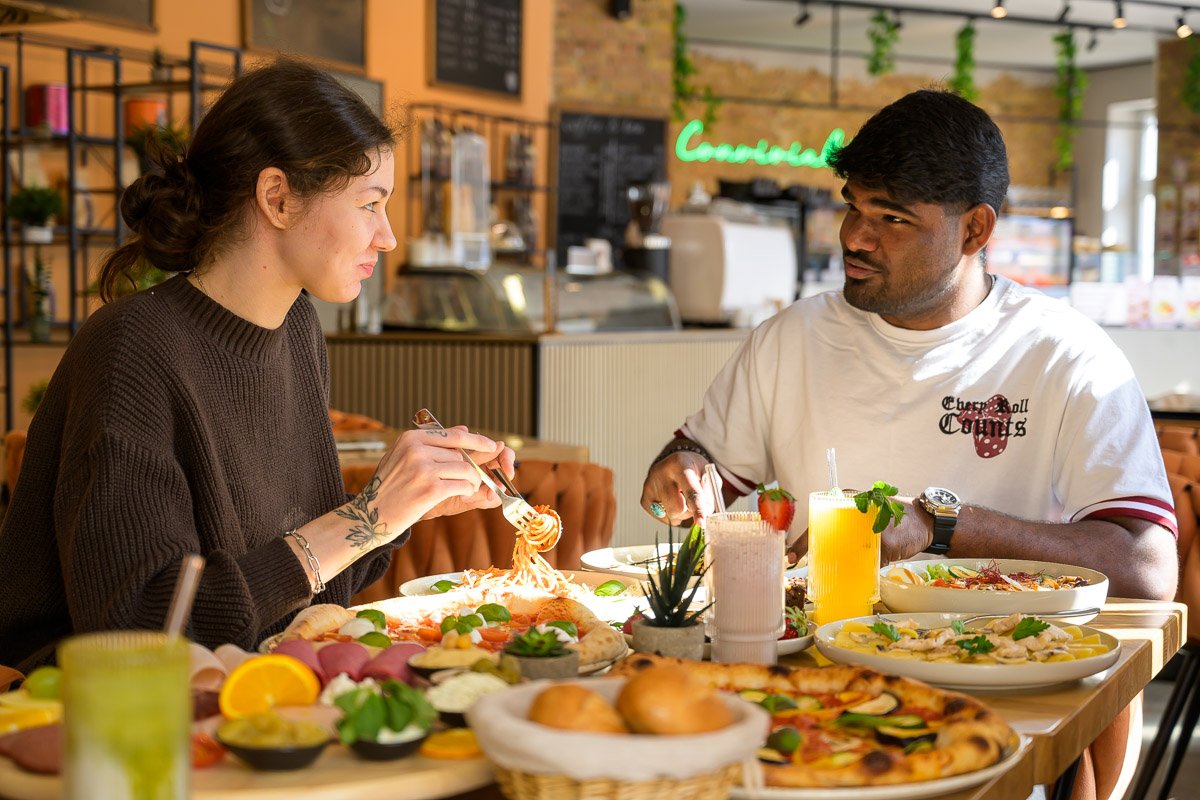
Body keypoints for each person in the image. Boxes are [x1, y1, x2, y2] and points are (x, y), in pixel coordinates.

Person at [0, 60, 514, 674]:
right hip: (105, 727)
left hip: (255, 692)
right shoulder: (132, 348)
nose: (388, 238)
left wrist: (397, 510)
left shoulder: (295, 327)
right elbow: (144, 631)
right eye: (370, 204)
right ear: (276, 197)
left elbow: (298, 594)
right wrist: (364, 517)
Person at [641, 89, 1177, 603]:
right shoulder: (791, 339)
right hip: (817, 657)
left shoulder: (1066, 354)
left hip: (1000, 662)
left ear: (974, 230)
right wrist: (682, 464)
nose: (854, 237)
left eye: (892, 218)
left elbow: (1146, 566)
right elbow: (703, 459)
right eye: (854, 206)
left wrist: (939, 525)